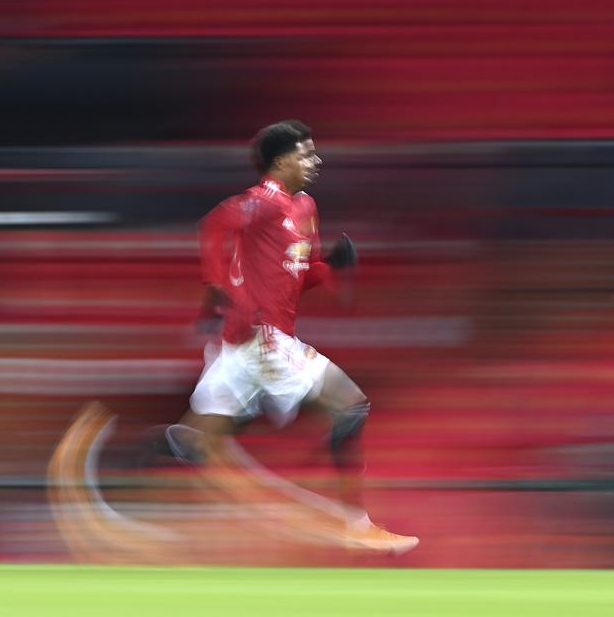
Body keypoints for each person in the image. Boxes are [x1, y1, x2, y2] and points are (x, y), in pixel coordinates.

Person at [152, 120, 418, 554]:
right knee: (350, 405)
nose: (316, 161)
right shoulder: (264, 201)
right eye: (305, 154)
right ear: (280, 162)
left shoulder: (305, 207)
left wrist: (331, 267)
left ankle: (121, 474)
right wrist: (215, 286)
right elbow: (213, 226)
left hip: (245, 344)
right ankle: (357, 524)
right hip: (264, 342)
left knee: (193, 441)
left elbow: (298, 276)